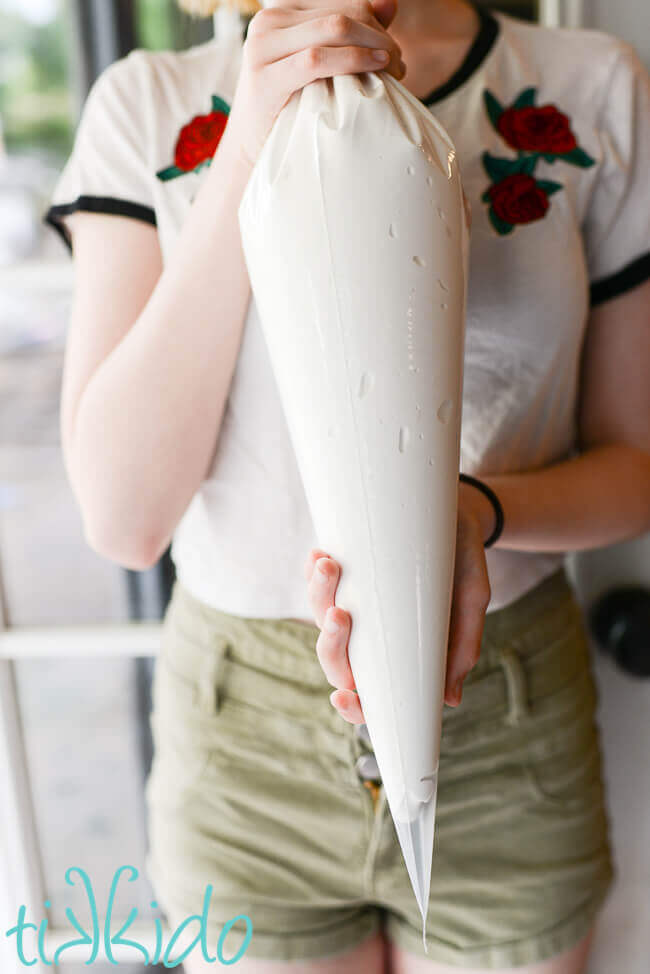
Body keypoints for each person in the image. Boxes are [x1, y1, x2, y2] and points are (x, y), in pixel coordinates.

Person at [44, 0, 650, 971]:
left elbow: (636, 467)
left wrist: (471, 513)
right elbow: (124, 518)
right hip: (248, 751)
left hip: (509, 730)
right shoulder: (147, 107)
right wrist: (247, 142)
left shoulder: (592, 89)